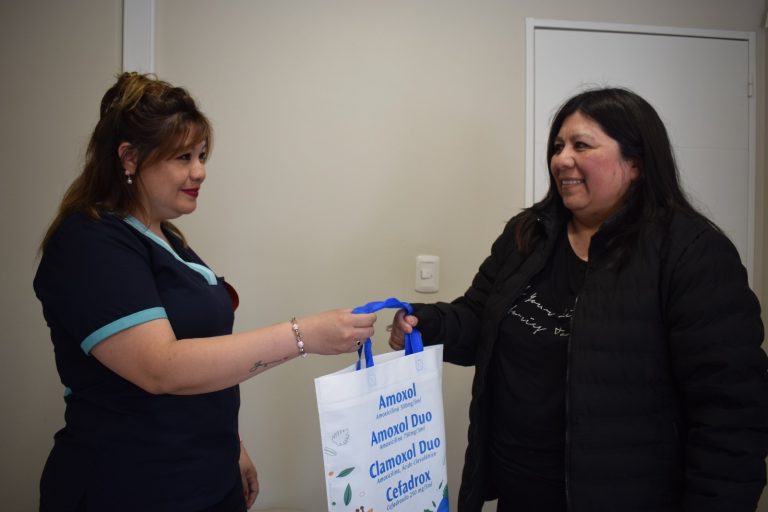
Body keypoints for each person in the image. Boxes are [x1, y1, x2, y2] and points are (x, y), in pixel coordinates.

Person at [388, 87, 768, 511]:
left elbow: (731, 413)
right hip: (520, 493)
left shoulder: (691, 252)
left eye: (581, 145)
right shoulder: (528, 233)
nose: (561, 159)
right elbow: (480, 319)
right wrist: (426, 323)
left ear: (637, 163)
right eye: (557, 146)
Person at [33, 72, 377, 512]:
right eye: (183, 157)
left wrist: (233, 443)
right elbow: (160, 367)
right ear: (129, 158)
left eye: (201, 155)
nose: (200, 171)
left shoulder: (168, 239)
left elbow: (203, 352)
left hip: (206, 475)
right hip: (131, 486)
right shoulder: (90, 242)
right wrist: (302, 336)